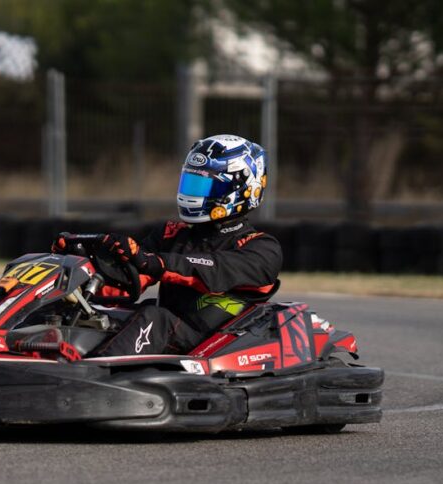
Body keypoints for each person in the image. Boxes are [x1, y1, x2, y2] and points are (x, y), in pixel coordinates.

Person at [53, 134, 282, 356]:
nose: (193, 192)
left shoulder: (262, 248)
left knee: (155, 317)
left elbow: (211, 268)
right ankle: (43, 354)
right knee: (93, 313)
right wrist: (83, 266)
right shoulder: (173, 235)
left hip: (212, 343)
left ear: (241, 190)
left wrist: (155, 262)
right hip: (169, 332)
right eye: (191, 182)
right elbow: (128, 282)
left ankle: (94, 373)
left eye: (204, 186)